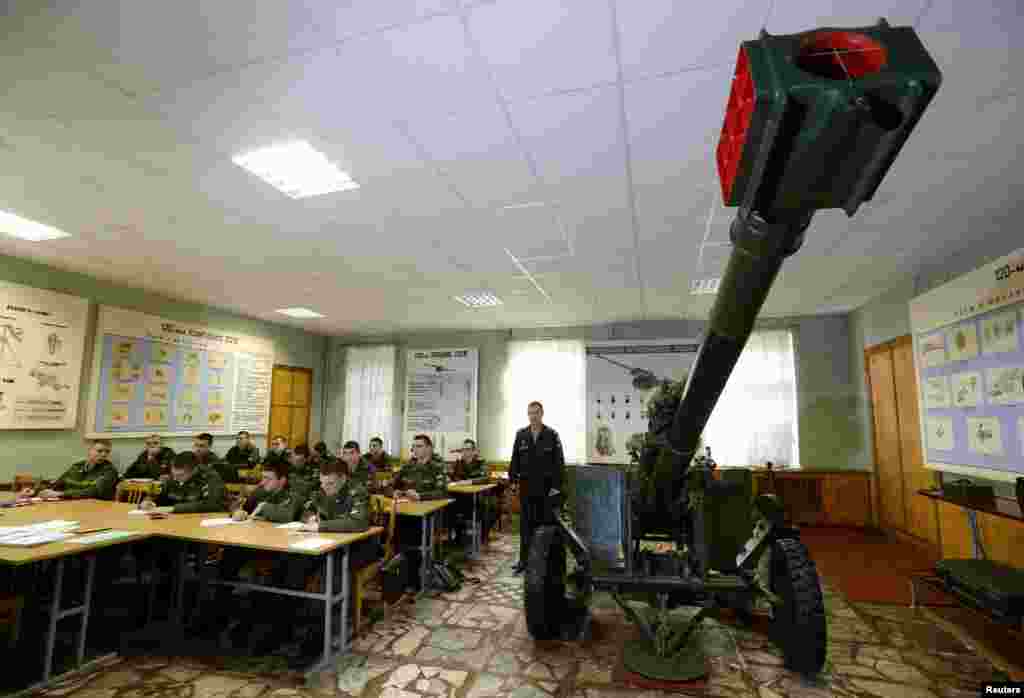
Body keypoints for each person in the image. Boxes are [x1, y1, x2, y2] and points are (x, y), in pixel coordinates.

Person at [509, 401, 565, 574]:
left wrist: (557, 486)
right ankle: (524, 561)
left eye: (536, 413)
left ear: (542, 414)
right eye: (530, 413)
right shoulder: (521, 435)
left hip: (547, 490)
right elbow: (515, 460)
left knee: (545, 527)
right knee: (526, 527)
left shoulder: (551, 434)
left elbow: (559, 462)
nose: (533, 416)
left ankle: (546, 563)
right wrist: (512, 481)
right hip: (527, 488)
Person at [22, 439, 119, 500]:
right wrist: (34, 491)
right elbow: (57, 483)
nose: (103, 454)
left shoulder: (109, 471)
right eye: (100, 451)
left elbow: (92, 492)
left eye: (107, 452)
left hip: (96, 509)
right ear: (89, 450)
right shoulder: (77, 466)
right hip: (71, 504)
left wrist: (61, 494)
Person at [140, 451, 225, 513]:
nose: (175, 478)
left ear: (194, 470)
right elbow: (160, 496)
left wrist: (174, 509)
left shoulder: (210, 477)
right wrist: (148, 501)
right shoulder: (173, 477)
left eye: (180, 475)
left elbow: (212, 504)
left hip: (205, 521)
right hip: (176, 520)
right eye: (174, 474)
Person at [231, 459, 303, 523]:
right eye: (263, 478)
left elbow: (288, 515)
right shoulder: (260, 491)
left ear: (282, 481)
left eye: (268, 478)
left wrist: (263, 507)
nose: (263, 482)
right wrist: (237, 512)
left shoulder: (294, 493)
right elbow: (244, 508)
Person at [394, 434, 448, 500]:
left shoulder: (438, 467)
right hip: (407, 504)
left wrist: (420, 496)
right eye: (413, 446)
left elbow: (442, 493)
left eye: (419, 446)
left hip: (429, 506)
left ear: (429, 448)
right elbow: (392, 484)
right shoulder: (408, 466)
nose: (415, 449)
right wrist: (395, 492)